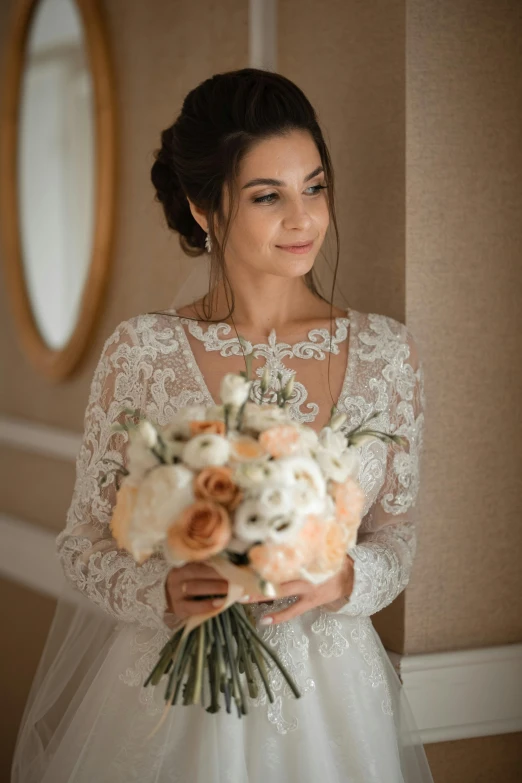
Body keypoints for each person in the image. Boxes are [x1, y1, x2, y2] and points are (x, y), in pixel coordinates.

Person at [11, 67, 434, 782]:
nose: (304, 219)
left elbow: (398, 537)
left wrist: (341, 581)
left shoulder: (389, 353)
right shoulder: (142, 352)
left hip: (334, 709)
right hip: (172, 701)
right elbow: (83, 540)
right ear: (205, 209)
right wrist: (161, 593)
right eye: (269, 196)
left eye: (316, 186)